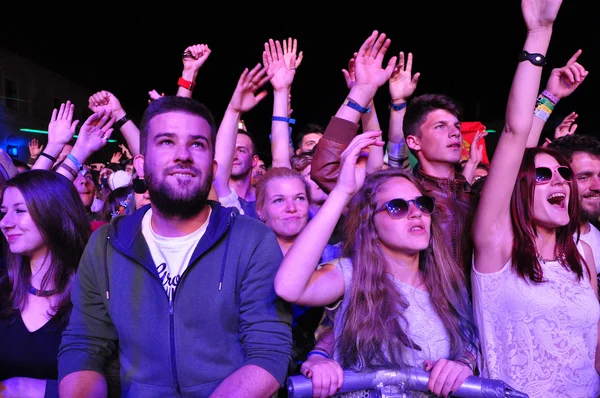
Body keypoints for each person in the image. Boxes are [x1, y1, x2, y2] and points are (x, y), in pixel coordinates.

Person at [57, 96, 292, 397]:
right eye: (166, 142)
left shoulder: (252, 240)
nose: (183, 155)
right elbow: (84, 344)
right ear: (140, 165)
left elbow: (268, 352)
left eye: (197, 144)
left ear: (213, 165)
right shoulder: (104, 245)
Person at [275, 131, 478, 398]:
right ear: (370, 223)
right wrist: (342, 192)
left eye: (421, 203)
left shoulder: (446, 279)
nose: (416, 212)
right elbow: (289, 287)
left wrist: (464, 364)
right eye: (397, 207)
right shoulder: (351, 273)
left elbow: (470, 340)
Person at [471, 1, 600, 396]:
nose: (559, 179)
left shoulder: (583, 256)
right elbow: (514, 133)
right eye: (541, 175)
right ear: (521, 189)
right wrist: (540, 32)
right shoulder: (498, 246)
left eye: (563, 173)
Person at [0, 170, 91, 398]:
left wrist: (38, 389)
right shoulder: (3, 290)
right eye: (3, 212)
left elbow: (118, 381)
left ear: (53, 214)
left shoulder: (92, 296)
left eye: (19, 211)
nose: (4, 223)